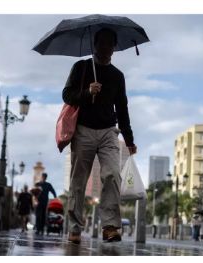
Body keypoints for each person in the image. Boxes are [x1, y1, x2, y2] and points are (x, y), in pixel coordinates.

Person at [62, 28, 137, 244]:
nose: (105, 48)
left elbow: (122, 109)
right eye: (101, 43)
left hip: (108, 132)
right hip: (83, 129)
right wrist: (87, 92)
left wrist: (129, 140)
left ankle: (110, 226)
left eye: (109, 44)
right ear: (95, 45)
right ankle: (75, 227)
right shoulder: (82, 67)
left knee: (113, 174)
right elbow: (67, 95)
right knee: (78, 181)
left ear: (114, 47)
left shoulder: (117, 76)